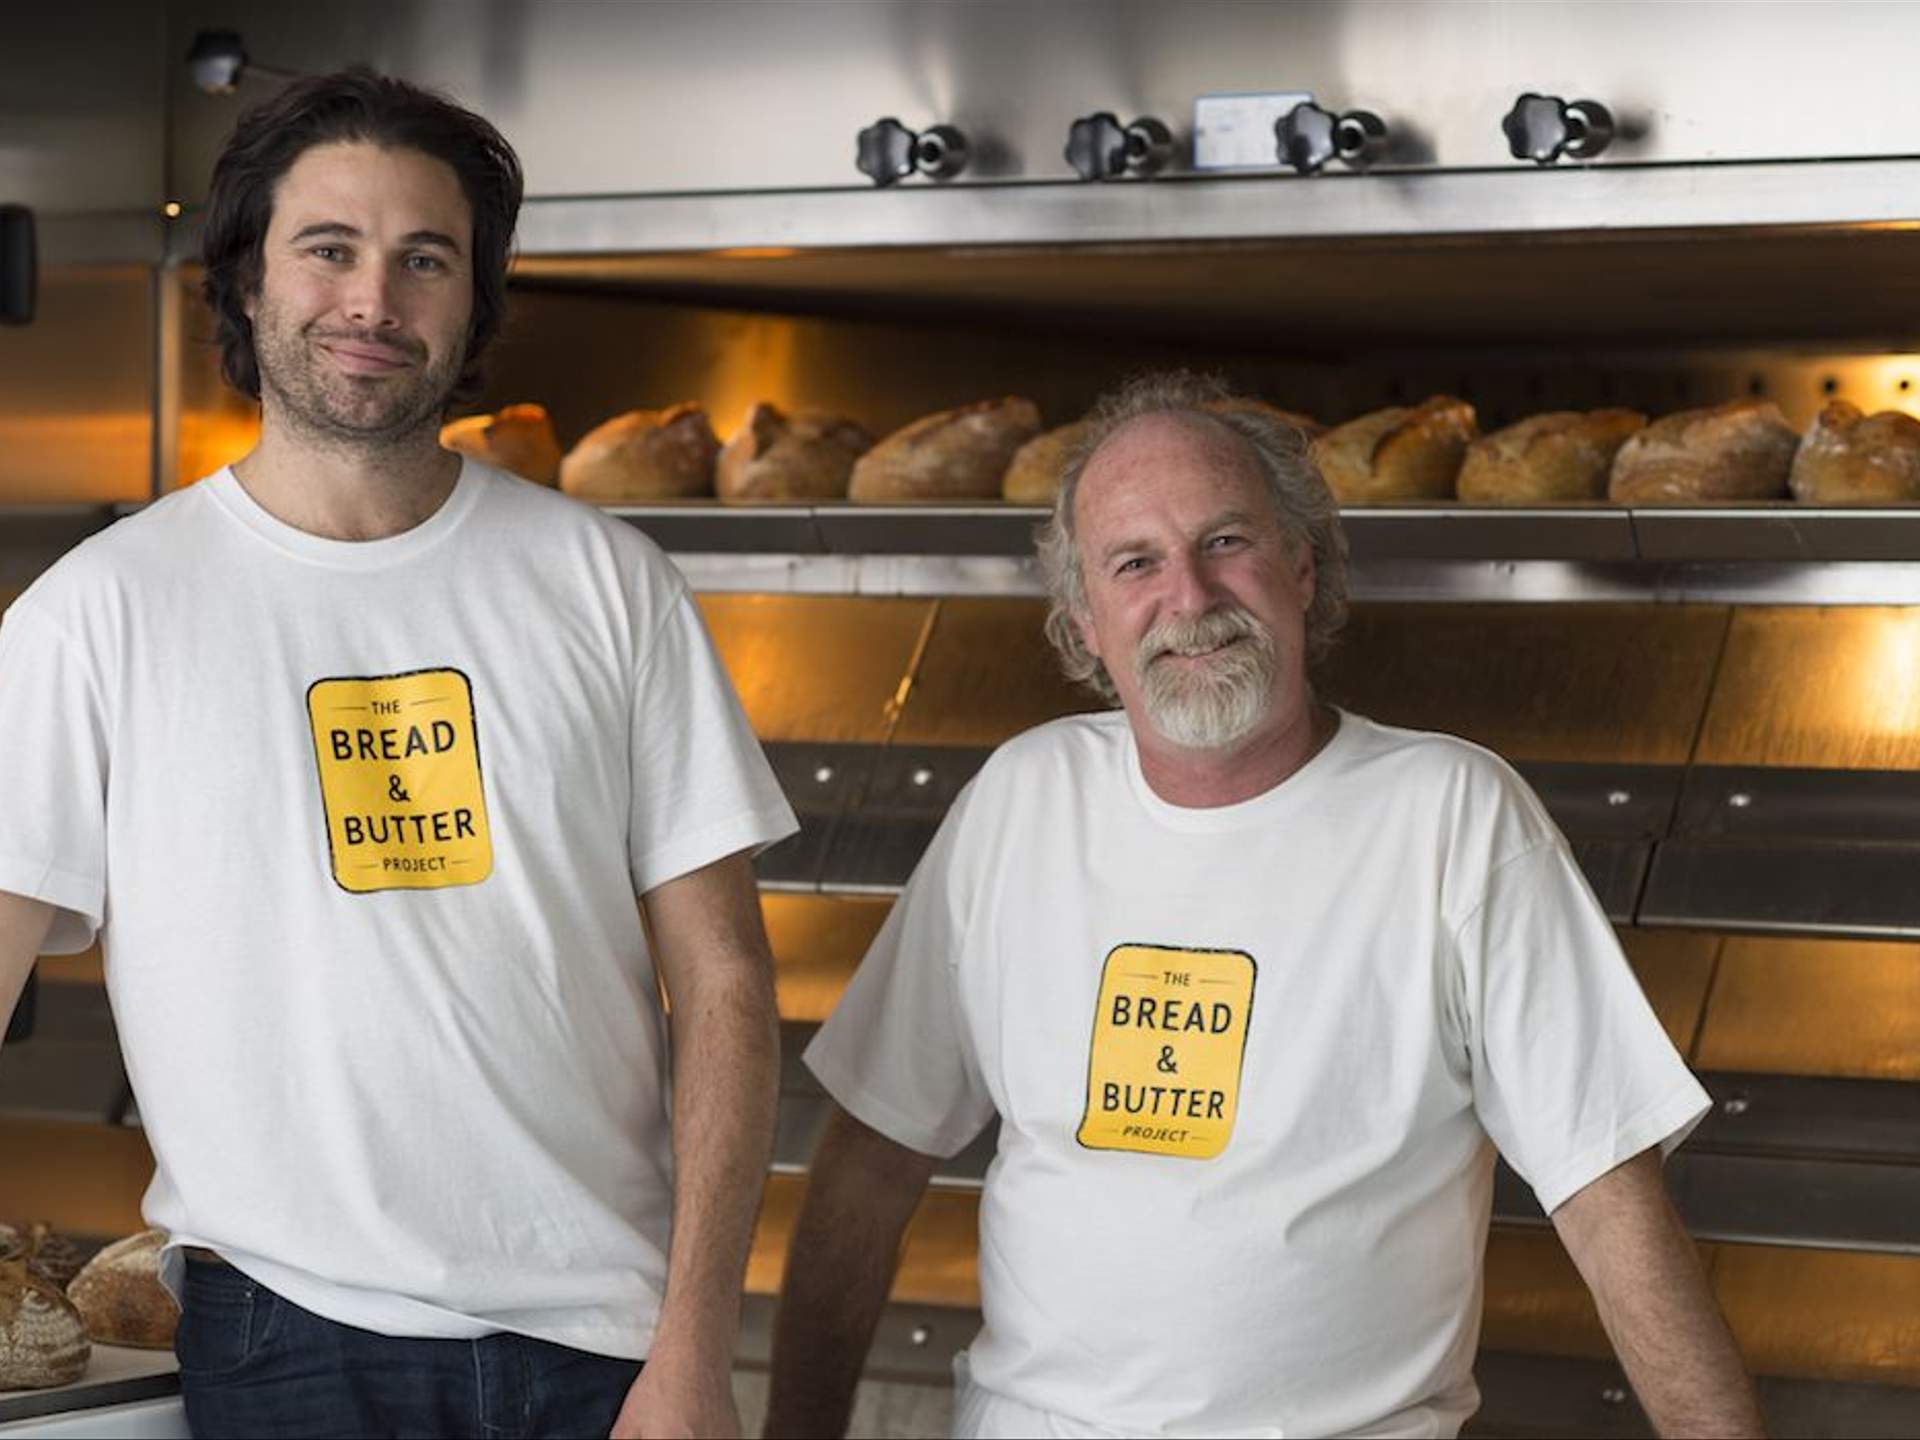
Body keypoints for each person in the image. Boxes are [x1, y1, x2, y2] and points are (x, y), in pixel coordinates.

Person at [0, 69, 795, 1439]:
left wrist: (698, 1346)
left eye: (425, 258)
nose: (373, 301)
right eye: (328, 250)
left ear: (474, 301)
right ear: (247, 281)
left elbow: (724, 986)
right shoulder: (101, 611)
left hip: (606, 1344)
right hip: (288, 1339)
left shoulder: (605, 580)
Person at [764, 373, 1767, 1439]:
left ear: (1301, 567)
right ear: (1086, 624)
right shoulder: (1023, 799)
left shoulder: (1452, 817)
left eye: (1226, 542)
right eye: (1135, 564)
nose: (1190, 598)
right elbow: (869, 1165)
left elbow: (1609, 1204)